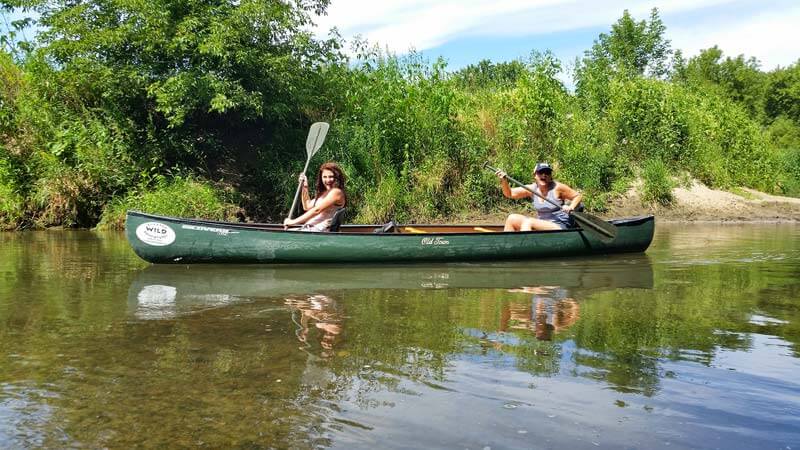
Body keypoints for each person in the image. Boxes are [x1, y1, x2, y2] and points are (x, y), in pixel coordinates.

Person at [494, 162, 582, 231]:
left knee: (529, 222)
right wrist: (504, 180)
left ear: (550, 176)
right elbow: (509, 194)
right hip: (542, 223)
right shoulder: (532, 188)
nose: (544, 175)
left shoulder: (557, 187)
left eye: (547, 172)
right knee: (512, 218)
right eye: (541, 172)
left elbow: (577, 196)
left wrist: (571, 207)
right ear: (534, 175)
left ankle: (525, 246)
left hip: (559, 225)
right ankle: (508, 245)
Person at [284, 161, 347, 231]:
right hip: (311, 228)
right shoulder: (324, 193)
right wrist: (304, 187)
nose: (328, 180)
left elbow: (317, 210)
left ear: (336, 177)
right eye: (324, 177)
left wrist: (293, 222)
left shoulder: (336, 192)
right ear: (321, 178)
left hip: (320, 230)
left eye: (331, 176)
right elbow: (307, 206)